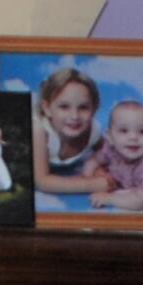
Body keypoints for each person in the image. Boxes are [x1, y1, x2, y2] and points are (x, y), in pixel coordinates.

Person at [32, 66, 102, 194]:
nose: (74, 116)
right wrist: (91, 184)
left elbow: (108, 155)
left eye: (83, 107)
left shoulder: (94, 131)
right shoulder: (40, 131)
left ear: (94, 109)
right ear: (47, 108)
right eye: (64, 107)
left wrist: (99, 170)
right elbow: (41, 181)